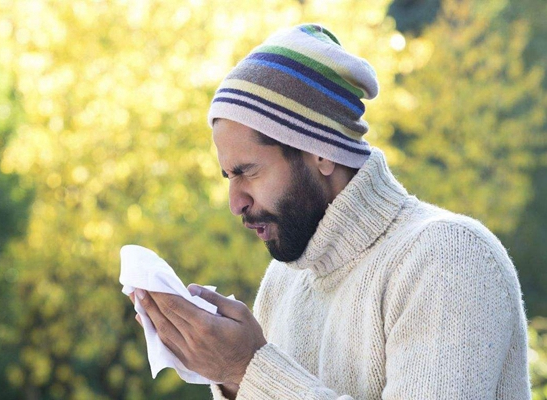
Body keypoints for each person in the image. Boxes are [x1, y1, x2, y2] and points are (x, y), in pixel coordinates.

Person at [130, 24, 531, 399]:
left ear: (321, 151)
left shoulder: (448, 258)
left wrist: (246, 369)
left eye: (247, 172)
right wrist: (226, 374)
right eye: (228, 177)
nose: (236, 202)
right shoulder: (283, 283)